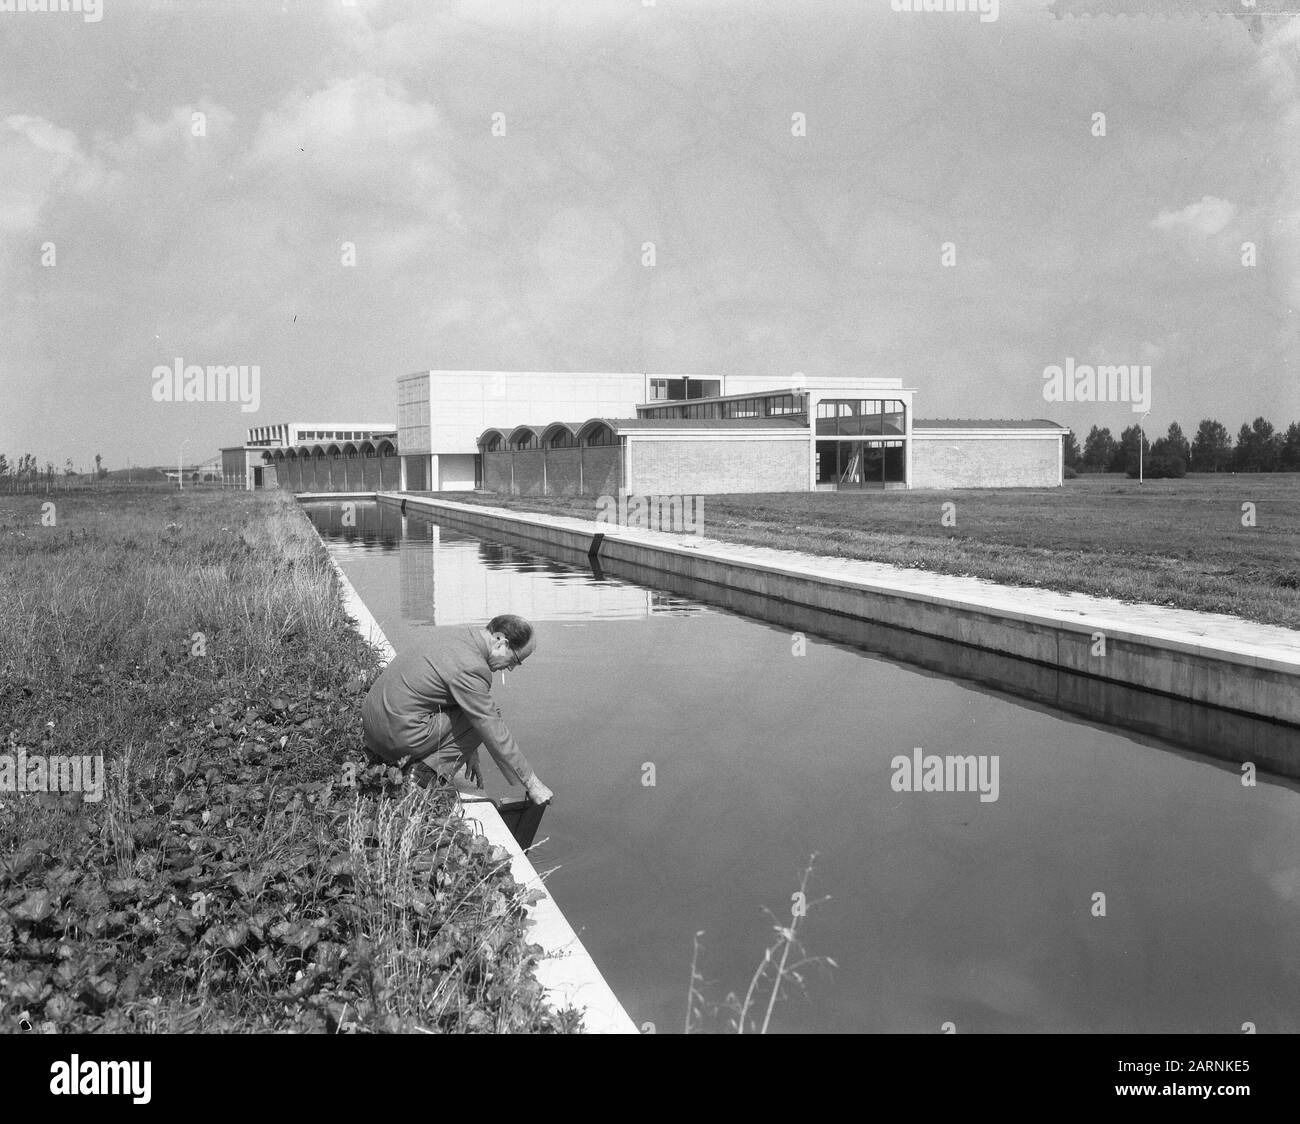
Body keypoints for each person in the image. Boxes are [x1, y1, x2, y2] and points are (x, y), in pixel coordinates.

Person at [361, 614, 554, 805]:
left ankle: (408, 765)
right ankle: (422, 777)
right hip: (395, 735)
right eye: (515, 660)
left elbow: (455, 699)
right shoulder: (473, 668)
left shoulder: (459, 638)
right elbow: (491, 728)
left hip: (373, 727)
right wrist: (532, 783)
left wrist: (469, 751)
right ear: (501, 643)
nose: (511, 668)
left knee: (478, 712)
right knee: (490, 715)